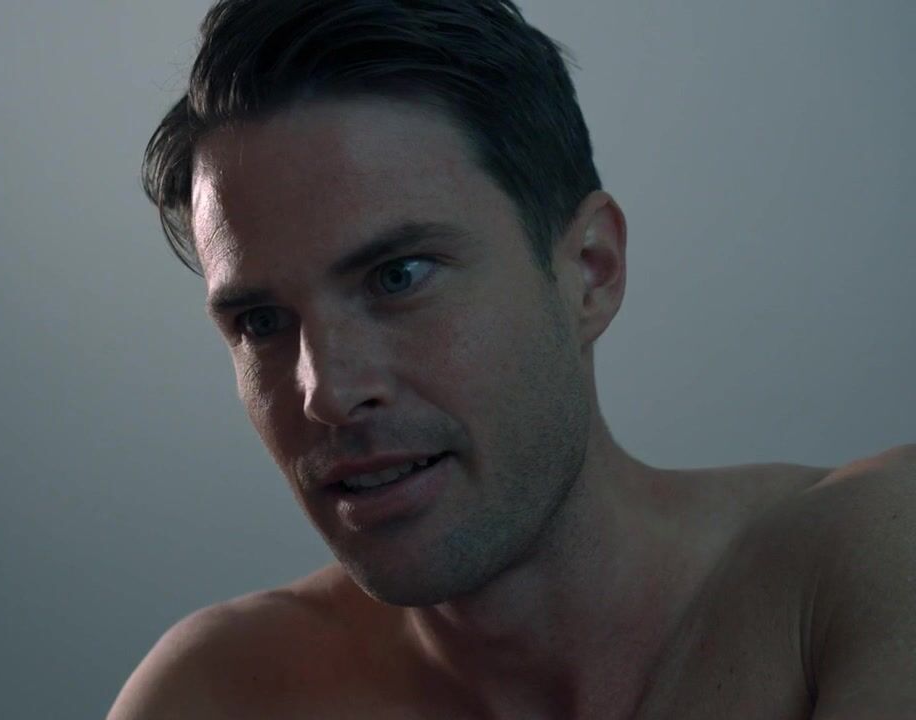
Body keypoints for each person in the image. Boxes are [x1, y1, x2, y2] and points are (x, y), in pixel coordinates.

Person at [112, 2, 915, 717]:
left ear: (590, 271)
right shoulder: (215, 694)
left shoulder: (873, 555)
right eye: (260, 322)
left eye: (399, 277)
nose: (328, 391)